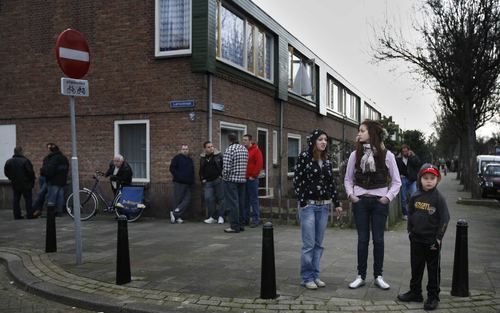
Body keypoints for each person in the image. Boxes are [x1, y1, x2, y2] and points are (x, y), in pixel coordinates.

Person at [344, 119, 401, 290]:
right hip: (360, 202)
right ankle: (360, 276)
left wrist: (387, 198)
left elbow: (397, 182)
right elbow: (348, 179)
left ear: (371, 133)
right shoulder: (355, 155)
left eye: (362, 130)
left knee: (378, 240)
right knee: (362, 240)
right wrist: (351, 195)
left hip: (379, 203)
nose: (358, 133)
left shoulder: (387, 155)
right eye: (359, 130)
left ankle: (378, 276)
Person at [293, 129, 343, 290]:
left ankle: (315, 275)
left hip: (323, 206)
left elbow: (331, 184)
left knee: (318, 244)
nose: (324, 142)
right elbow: (297, 180)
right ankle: (306, 277)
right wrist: (302, 201)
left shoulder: (327, 161)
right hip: (308, 205)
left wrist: (337, 203)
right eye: (320, 139)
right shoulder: (304, 157)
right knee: (308, 244)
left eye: (326, 140)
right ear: (314, 141)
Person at [397, 163, 450, 311]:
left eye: (432, 178)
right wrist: (410, 231)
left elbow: (445, 219)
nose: (429, 181)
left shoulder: (438, 198)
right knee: (416, 267)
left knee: (433, 270)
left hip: (432, 241)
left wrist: (439, 238)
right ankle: (415, 292)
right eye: (425, 178)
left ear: (437, 179)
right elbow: (411, 213)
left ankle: (433, 296)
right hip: (416, 239)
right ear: (420, 179)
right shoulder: (415, 195)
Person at [222, 133, 248, 233]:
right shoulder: (244, 149)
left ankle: (234, 226)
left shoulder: (230, 150)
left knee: (233, 203)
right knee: (241, 203)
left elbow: (227, 168)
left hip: (231, 180)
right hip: (242, 180)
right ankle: (241, 225)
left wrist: (224, 177)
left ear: (229, 140)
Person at [4, 146, 36, 219]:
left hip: (15, 183)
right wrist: (31, 180)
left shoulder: (9, 161)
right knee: (28, 200)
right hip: (26, 183)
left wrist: (11, 178)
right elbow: (30, 172)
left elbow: (6, 172)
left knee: (16, 200)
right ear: (21, 151)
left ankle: (17, 215)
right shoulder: (25, 161)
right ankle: (29, 215)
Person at [40, 143, 69, 217]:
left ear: (51, 150)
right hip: (62, 181)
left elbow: (50, 170)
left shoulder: (53, 158)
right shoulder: (64, 158)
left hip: (53, 181)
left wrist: (43, 171)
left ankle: (50, 213)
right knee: (60, 197)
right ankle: (59, 212)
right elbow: (66, 168)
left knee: (51, 197)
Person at [200, 141, 225, 224]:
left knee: (221, 198)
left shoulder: (219, 155)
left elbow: (224, 166)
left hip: (218, 180)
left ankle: (221, 216)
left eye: (212, 146)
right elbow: (201, 169)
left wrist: (222, 176)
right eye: (209, 147)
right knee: (208, 198)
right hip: (208, 182)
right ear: (205, 149)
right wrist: (202, 178)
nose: (211, 148)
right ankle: (213, 217)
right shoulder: (203, 158)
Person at [169, 144, 194, 224]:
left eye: (186, 149)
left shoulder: (190, 160)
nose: (185, 150)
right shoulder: (177, 158)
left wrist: (192, 180)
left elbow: (192, 171)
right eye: (183, 149)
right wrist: (179, 176)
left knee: (188, 199)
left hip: (188, 183)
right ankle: (177, 217)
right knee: (178, 200)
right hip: (179, 182)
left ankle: (175, 213)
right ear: (181, 150)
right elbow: (172, 168)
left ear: (188, 150)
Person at [242, 134, 263, 228]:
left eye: (246, 140)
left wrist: (253, 176)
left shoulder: (256, 151)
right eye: (243, 140)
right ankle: (245, 219)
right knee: (245, 200)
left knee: (253, 200)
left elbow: (259, 164)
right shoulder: (243, 150)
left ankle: (256, 220)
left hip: (252, 179)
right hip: (244, 179)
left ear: (250, 141)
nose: (244, 142)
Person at [396, 144, 421, 220]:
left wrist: (411, 156)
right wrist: (399, 175)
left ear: (409, 150)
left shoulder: (413, 157)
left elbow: (418, 164)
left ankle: (414, 212)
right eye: (403, 151)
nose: (405, 152)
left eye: (406, 151)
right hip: (403, 180)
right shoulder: (398, 159)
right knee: (404, 197)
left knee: (414, 196)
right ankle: (405, 214)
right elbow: (396, 168)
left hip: (412, 180)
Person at [32, 143, 53, 217]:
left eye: (50, 148)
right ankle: (38, 210)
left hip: (48, 178)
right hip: (43, 177)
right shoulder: (47, 158)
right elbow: (44, 166)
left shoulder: (54, 158)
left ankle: (33, 210)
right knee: (42, 194)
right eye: (48, 148)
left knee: (41, 194)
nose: (48, 150)